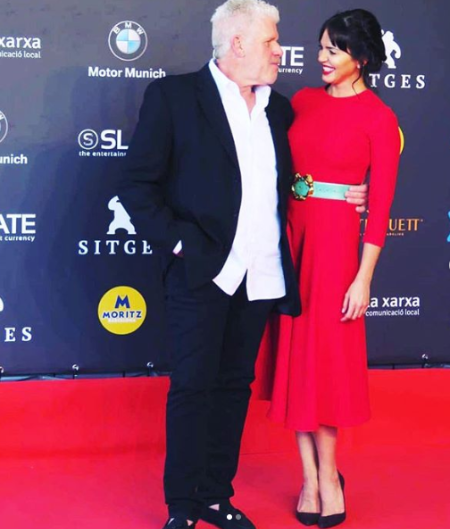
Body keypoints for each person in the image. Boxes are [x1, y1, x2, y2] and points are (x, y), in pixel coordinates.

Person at [119, 2, 367, 528]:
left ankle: (215, 497)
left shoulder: (280, 110)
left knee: (234, 388)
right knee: (193, 387)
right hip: (201, 272)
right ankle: (181, 506)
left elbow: (308, 173)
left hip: (262, 276)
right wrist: (181, 243)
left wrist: (350, 192)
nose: (281, 51)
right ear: (238, 44)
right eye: (272, 41)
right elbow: (137, 185)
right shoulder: (175, 97)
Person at [265, 9, 400, 528]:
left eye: (334, 50)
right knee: (297, 362)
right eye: (321, 46)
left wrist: (363, 278)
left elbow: (380, 206)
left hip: (338, 252)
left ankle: (329, 475)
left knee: (325, 367)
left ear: (360, 57)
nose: (321, 57)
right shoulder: (301, 102)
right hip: (291, 241)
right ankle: (308, 478)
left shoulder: (379, 117)